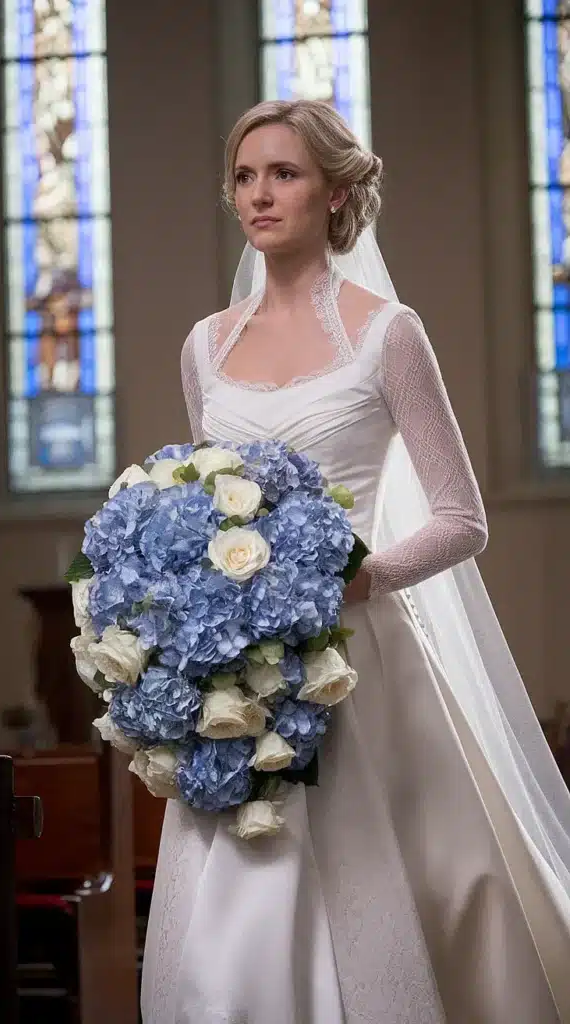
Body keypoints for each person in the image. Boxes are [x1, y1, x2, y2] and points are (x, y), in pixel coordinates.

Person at [141, 99, 570, 1023]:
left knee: (396, 883)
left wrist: (351, 579)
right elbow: (201, 508)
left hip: (359, 663)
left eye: (284, 174)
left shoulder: (387, 333)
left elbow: (462, 518)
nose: (259, 194)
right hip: (241, 674)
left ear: (336, 194)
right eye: (246, 176)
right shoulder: (204, 347)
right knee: (244, 897)